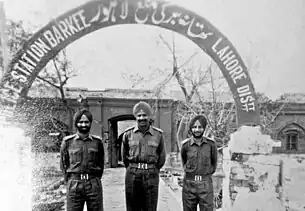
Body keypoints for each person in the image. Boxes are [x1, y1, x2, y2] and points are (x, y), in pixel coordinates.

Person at [122, 101, 166, 211]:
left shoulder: (158, 135)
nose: (142, 118)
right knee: (132, 208)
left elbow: (161, 157)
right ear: (135, 117)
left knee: (150, 207)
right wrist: (132, 168)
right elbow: (124, 157)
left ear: (149, 116)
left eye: (144, 115)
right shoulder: (128, 134)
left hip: (151, 175)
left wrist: (153, 169)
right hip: (132, 175)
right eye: (139, 115)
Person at [60, 109, 105, 211]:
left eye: (86, 122)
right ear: (76, 124)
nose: (83, 124)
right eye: (80, 122)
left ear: (90, 123)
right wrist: (70, 180)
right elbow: (63, 164)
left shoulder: (97, 142)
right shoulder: (68, 142)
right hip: (74, 184)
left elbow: (101, 163)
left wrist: (95, 179)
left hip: (93, 184)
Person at [181, 115, 218, 211]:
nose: (197, 130)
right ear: (191, 129)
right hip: (189, 185)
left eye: (200, 127)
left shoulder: (211, 145)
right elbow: (184, 162)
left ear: (204, 128)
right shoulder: (185, 145)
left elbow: (213, 165)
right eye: (194, 127)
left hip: (205, 185)